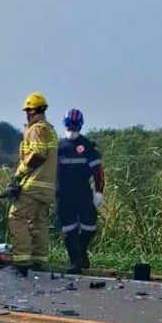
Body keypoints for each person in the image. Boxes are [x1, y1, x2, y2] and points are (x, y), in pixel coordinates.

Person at [3, 92, 58, 276]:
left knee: (16, 217)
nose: (27, 114)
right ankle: (39, 260)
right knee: (38, 223)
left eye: (28, 111)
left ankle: (22, 260)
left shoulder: (37, 129)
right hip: (47, 187)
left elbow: (37, 154)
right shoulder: (51, 130)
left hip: (34, 185)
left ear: (34, 110)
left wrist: (19, 175)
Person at [57, 108, 105, 273]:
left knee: (90, 226)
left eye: (74, 126)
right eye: (69, 126)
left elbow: (98, 170)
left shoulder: (88, 146)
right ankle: (75, 261)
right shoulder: (59, 147)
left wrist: (99, 191)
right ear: (65, 125)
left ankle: (81, 252)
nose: (72, 129)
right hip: (63, 193)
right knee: (68, 229)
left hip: (82, 190)